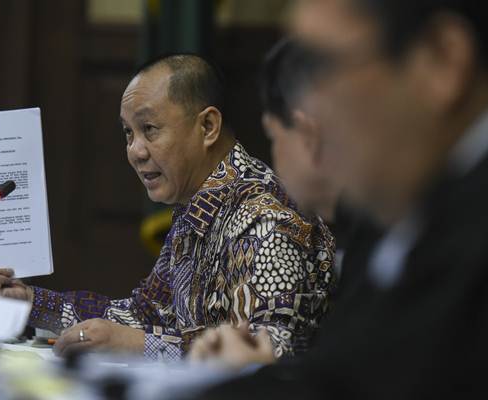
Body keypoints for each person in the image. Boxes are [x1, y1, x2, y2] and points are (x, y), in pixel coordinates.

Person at [190, 0, 488, 398]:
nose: (308, 113)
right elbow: (354, 372)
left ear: (442, 60)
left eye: (316, 67)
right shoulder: (397, 221)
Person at [0, 54, 335, 361]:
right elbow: (143, 314)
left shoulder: (263, 218)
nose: (135, 151)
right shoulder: (198, 207)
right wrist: (29, 301)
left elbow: (270, 355)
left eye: (149, 129)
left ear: (208, 127)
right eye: (128, 133)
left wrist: (139, 345)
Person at [190, 38, 354, 369]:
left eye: (274, 137)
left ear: (309, 136)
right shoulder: (371, 233)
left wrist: (264, 371)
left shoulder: (269, 219)